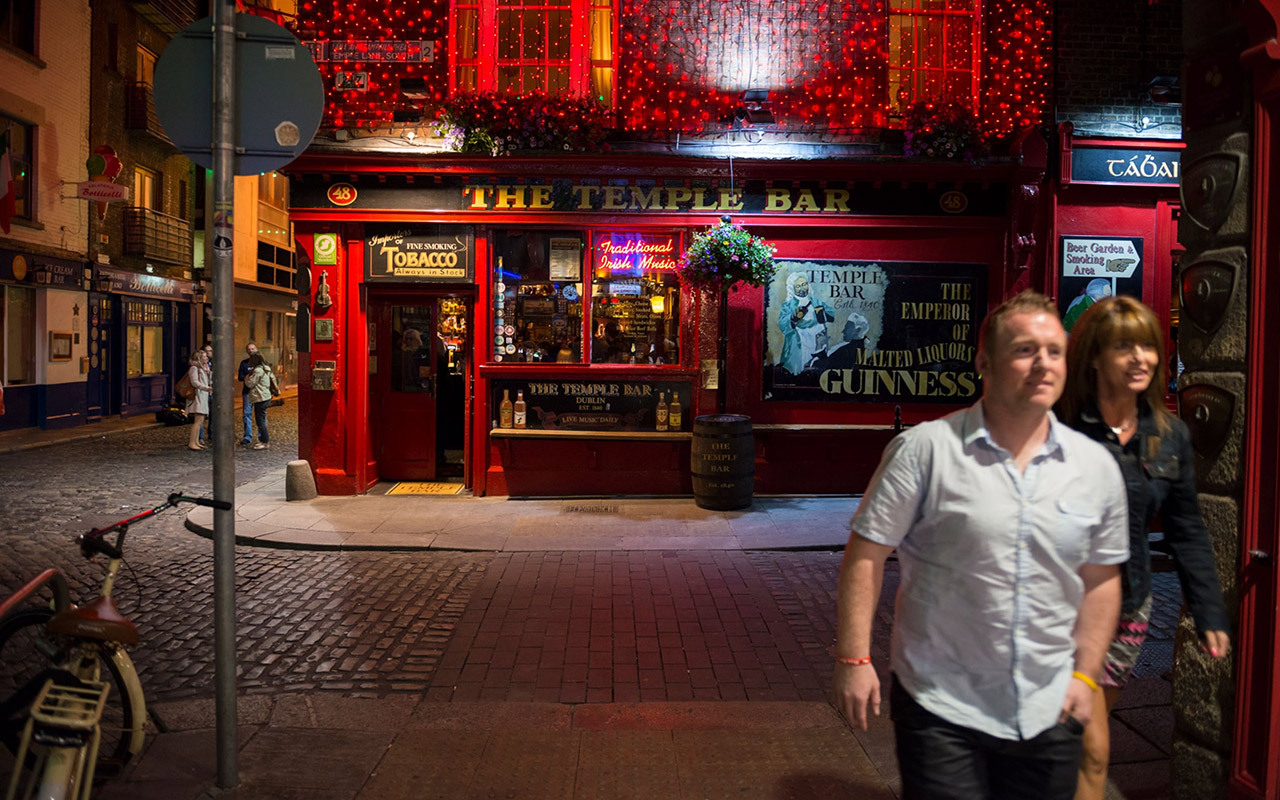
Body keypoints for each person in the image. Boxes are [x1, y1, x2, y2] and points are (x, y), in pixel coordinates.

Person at [832, 290, 1129, 800]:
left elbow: (1102, 580)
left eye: (1054, 351)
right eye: (1024, 350)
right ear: (984, 362)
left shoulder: (1095, 466)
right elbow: (867, 553)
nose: (1043, 364)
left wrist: (1085, 673)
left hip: (1049, 703)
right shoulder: (924, 451)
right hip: (942, 704)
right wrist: (854, 660)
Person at [1055, 296, 1230, 800]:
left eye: (1148, 347)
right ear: (1092, 357)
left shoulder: (1168, 435)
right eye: (1124, 346)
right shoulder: (1060, 429)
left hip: (1127, 604)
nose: (1141, 358)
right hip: (1054, 606)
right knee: (1065, 734)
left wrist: (1208, 611)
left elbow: (1186, 528)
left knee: (1084, 727)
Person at [778, 273, 832, 375]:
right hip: (799, 344)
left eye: (804, 284)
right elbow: (782, 326)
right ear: (792, 288)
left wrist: (823, 314)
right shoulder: (788, 305)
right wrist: (793, 319)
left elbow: (831, 314)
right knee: (799, 373)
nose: (802, 288)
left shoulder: (815, 301)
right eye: (798, 286)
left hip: (818, 343)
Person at [243, 352, 273, 450]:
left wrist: (246, 379)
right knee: (261, 419)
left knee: (260, 421)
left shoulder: (258, 370)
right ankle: (263, 440)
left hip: (260, 397)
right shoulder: (265, 368)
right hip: (265, 396)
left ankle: (265, 441)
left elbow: (250, 384)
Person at [185, 351, 211, 452]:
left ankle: (196, 442)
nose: (206, 358)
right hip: (198, 396)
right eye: (204, 357)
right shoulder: (194, 368)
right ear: (199, 358)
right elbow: (194, 382)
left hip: (203, 395)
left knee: (200, 421)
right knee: (198, 421)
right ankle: (192, 442)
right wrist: (205, 388)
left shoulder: (202, 368)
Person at [238, 342, 259, 446]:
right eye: (249, 349)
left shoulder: (262, 363)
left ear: (256, 349)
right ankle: (247, 436)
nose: (251, 351)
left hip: (259, 393)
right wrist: (249, 375)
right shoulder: (244, 363)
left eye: (252, 348)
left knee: (260, 415)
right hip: (247, 392)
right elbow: (240, 377)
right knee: (247, 414)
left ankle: (262, 436)